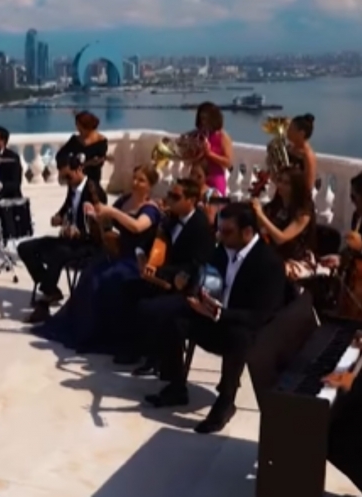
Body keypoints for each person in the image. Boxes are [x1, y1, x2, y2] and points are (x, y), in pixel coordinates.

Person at [141, 203, 286, 434]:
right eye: (219, 230)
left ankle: (226, 400)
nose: (220, 236)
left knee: (238, 336)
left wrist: (219, 313)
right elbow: (202, 277)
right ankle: (176, 384)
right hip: (213, 318)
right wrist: (187, 287)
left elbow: (261, 315)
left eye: (227, 232)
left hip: (246, 328)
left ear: (247, 232)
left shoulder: (269, 263)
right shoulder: (221, 251)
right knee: (170, 315)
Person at [33, 165, 162, 355]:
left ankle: (102, 334)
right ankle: (83, 329)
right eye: (134, 178)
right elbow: (107, 221)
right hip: (115, 254)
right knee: (90, 274)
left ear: (150, 186)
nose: (135, 183)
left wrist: (112, 212)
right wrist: (95, 215)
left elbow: (137, 226)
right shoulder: (125, 199)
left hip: (134, 260)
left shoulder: (150, 209)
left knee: (106, 279)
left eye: (141, 180)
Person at [116, 178, 216, 371]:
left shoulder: (201, 227)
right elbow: (149, 241)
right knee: (126, 289)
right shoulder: (170, 218)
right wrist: (141, 256)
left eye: (175, 197)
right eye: (169, 195)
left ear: (191, 200)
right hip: (161, 277)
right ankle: (134, 347)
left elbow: (196, 264)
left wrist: (161, 271)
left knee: (148, 307)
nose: (169, 199)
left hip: (183, 285)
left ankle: (155, 356)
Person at [18, 155, 107, 317]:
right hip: (69, 241)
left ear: (79, 169)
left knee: (58, 253)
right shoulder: (72, 187)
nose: (66, 181)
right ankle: (51, 288)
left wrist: (79, 232)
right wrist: (58, 217)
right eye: (63, 177)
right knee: (25, 248)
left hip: (88, 244)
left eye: (68, 176)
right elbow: (66, 209)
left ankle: (46, 296)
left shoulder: (94, 191)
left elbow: (102, 226)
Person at [252, 167, 318, 279]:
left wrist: (260, 215)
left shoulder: (303, 212)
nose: (281, 186)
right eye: (280, 181)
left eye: (286, 183)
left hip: (297, 259)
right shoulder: (276, 205)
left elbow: (281, 238)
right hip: (274, 254)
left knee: (268, 270)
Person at [55, 111, 108, 186]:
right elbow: (60, 155)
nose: (77, 129)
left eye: (79, 126)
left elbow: (99, 161)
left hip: (92, 180)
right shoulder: (75, 140)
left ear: (87, 126)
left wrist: (86, 165)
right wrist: (67, 168)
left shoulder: (101, 141)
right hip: (74, 179)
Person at [193, 102, 232, 197]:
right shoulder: (198, 135)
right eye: (201, 118)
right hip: (198, 177)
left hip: (215, 179)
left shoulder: (222, 136)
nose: (203, 122)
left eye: (205, 119)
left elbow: (228, 162)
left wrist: (209, 154)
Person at [286, 113, 317, 193]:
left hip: (297, 197)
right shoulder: (289, 148)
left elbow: (308, 185)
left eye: (291, 129)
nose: (287, 131)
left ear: (301, 133)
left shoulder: (307, 156)